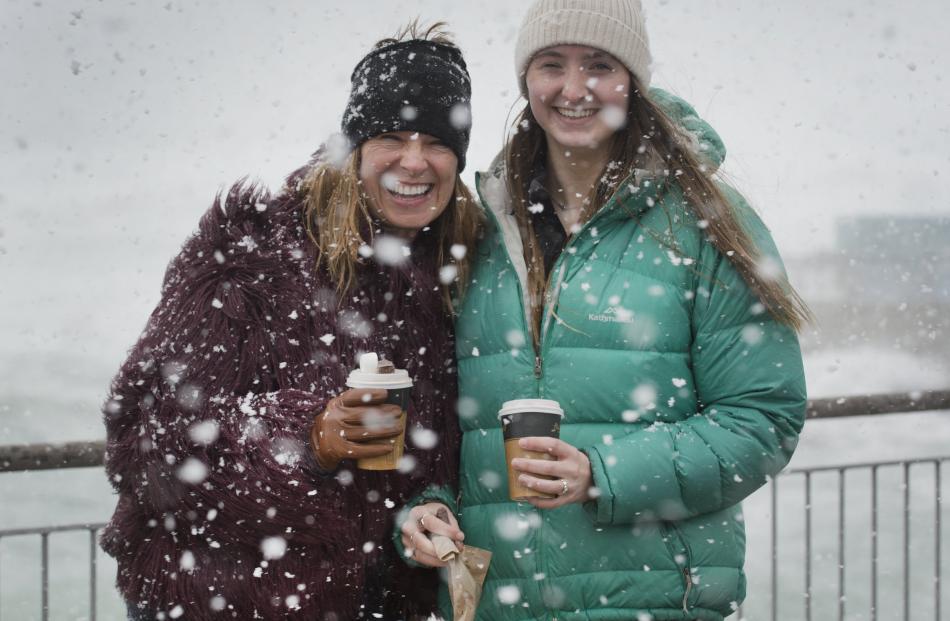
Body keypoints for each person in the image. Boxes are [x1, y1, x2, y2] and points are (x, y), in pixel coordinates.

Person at [397, 1, 810, 619]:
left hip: (652, 600)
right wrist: (426, 504)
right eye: (551, 64)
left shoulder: (702, 220)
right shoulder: (480, 228)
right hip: (500, 601)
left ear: (632, 80)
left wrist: (603, 472)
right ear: (525, 81)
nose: (573, 89)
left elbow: (762, 419)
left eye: (598, 64)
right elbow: (441, 417)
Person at [101, 21, 480, 621]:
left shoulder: (454, 276)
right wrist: (309, 439)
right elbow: (146, 447)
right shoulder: (249, 254)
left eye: (435, 141)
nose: (414, 161)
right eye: (391, 136)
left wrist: (418, 515)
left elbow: (421, 468)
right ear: (355, 148)